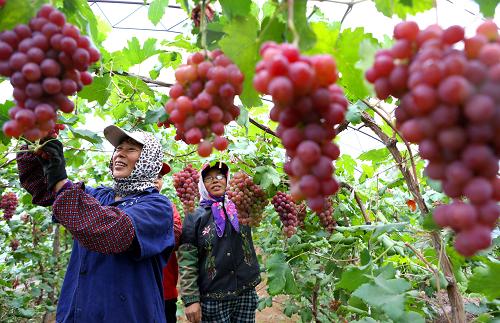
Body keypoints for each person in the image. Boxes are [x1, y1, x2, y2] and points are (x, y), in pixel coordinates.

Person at [16, 125, 175, 322]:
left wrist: (61, 182)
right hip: (77, 315)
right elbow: (45, 190)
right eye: (118, 149)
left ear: (148, 160)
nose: (120, 154)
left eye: (131, 149)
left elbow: (112, 232)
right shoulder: (99, 195)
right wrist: (34, 140)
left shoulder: (157, 206)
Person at [178, 161, 261, 323]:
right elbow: (187, 259)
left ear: (227, 179)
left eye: (220, 176)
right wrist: (191, 299)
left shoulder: (241, 205)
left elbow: (261, 188)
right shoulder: (194, 216)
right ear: (202, 184)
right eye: (208, 179)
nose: (215, 180)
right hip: (213, 299)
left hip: (246, 293)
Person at [154, 163, 182, 323]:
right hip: (135, 293)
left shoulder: (168, 206)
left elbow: (175, 237)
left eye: (159, 177)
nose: (156, 180)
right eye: (152, 175)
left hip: (165, 290)